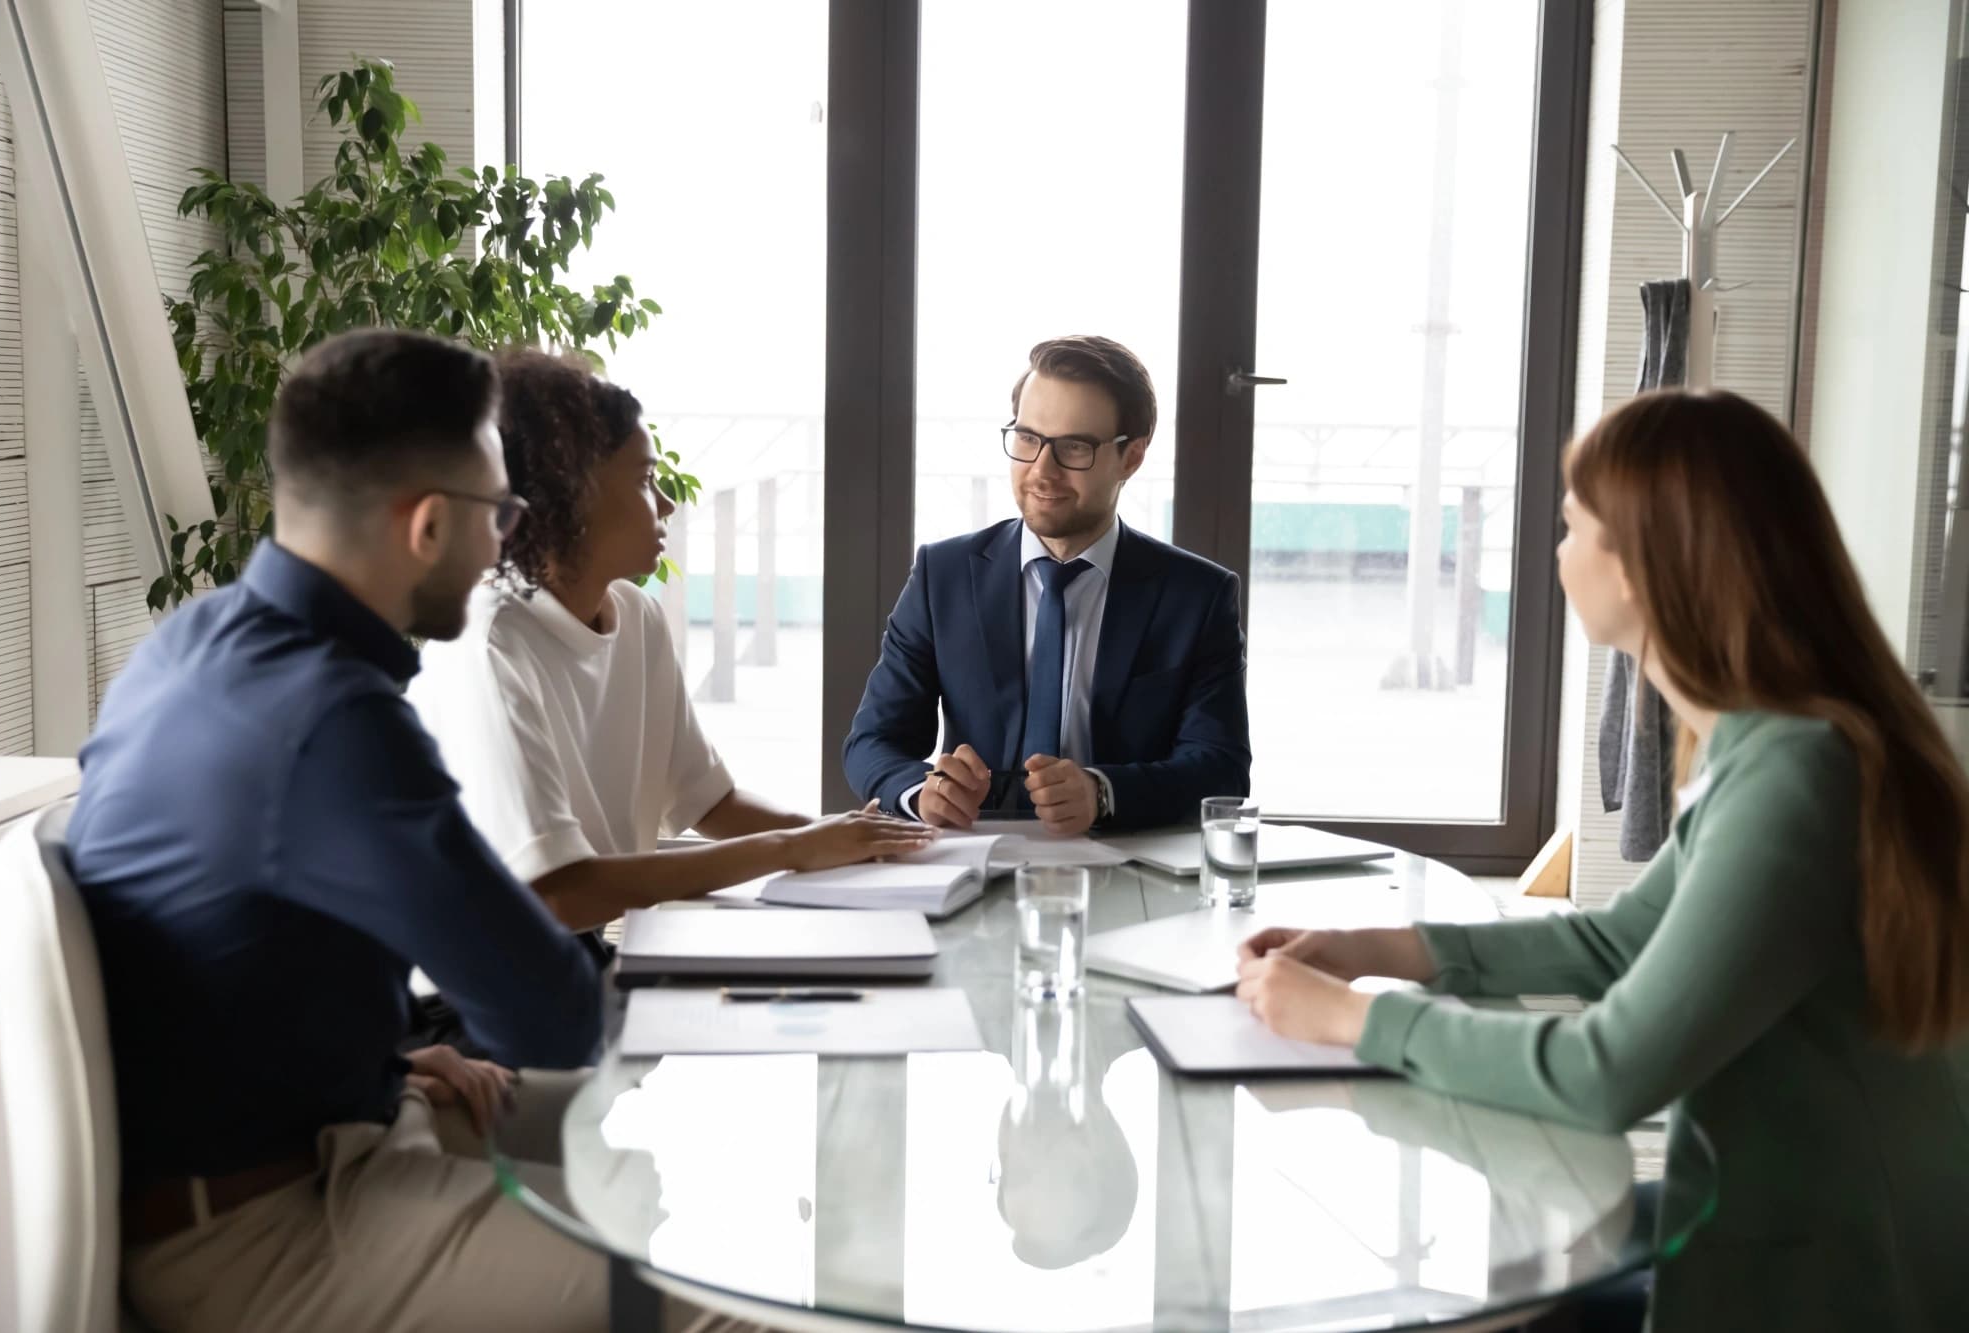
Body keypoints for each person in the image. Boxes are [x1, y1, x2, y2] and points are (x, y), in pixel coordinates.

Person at [1235, 389, 1969, 1332]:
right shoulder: (1763, 742)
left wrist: (1355, 1016)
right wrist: (1373, 946)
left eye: (1570, 525)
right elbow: (1621, 941)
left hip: (1839, 1275)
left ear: (1644, 567)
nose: (1554, 551)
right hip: (1788, 1221)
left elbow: (1607, 1071)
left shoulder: (1797, 773)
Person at [68, 330, 679, 1333]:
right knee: (716, 1280)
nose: (506, 542)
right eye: (500, 512)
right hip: (261, 1234)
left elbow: (236, 950)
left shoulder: (189, 644)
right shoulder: (333, 719)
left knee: (686, 1163)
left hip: (307, 1137)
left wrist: (386, 1059)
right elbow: (550, 1016)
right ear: (430, 525)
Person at [410, 347, 932, 932]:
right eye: (644, 480)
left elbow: (707, 803)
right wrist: (792, 848)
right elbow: (558, 895)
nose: (666, 503)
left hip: (599, 957)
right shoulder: (488, 642)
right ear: (570, 495)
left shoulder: (636, 615)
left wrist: (851, 840)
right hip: (489, 998)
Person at [843, 334, 1251, 835]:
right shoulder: (942, 575)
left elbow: (1221, 766)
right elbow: (872, 742)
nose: (1041, 470)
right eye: (1028, 438)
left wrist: (1103, 792)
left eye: (1074, 447)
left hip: (1128, 853)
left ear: (1132, 457)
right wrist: (921, 793)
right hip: (972, 855)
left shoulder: (1197, 597)